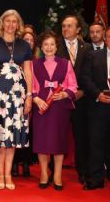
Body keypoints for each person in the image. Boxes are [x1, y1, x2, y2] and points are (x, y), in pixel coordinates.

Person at [0, 9, 33, 190]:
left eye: (14, 21)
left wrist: (29, 95)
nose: (11, 24)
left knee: (12, 136)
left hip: (17, 96)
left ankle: (8, 175)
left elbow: (28, 71)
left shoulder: (24, 45)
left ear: (18, 24)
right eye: (8, 21)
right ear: (2, 23)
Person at [80, 25, 110, 192]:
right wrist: (98, 94)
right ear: (105, 38)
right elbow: (85, 78)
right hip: (98, 107)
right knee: (95, 143)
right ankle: (96, 178)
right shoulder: (93, 56)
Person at [31, 31, 77, 191]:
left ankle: (57, 174)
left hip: (59, 108)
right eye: (45, 44)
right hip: (41, 107)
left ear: (56, 47)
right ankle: (44, 173)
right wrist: (36, 99)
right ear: (41, 47)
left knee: (58, 142)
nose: (49, 47)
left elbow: (73, 85)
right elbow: (31, 87)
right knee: (42, 142)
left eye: (52, 44)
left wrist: (65, 94)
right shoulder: (34, 64)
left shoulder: (66, 63)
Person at [56, 15, 92, 183]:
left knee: (82, 137)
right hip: (61, 98)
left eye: (69, 26)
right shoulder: (55, 46)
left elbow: (92, 73)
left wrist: (83, 91)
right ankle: (53, 172)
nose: (65, 29)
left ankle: (83, 171)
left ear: (78, 29)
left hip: (81, 99)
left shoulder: (88, 48)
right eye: (63, 26)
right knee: (57, 136)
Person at [13, 26, 40, 177]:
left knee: (28, 132)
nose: (28, 42)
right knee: (16, 130)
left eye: (31, 40)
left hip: (33, 99)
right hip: (16, 99)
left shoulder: (36, 61)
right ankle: (15, 163)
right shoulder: (16, 60)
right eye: (26, 40)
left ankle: (26, 162)